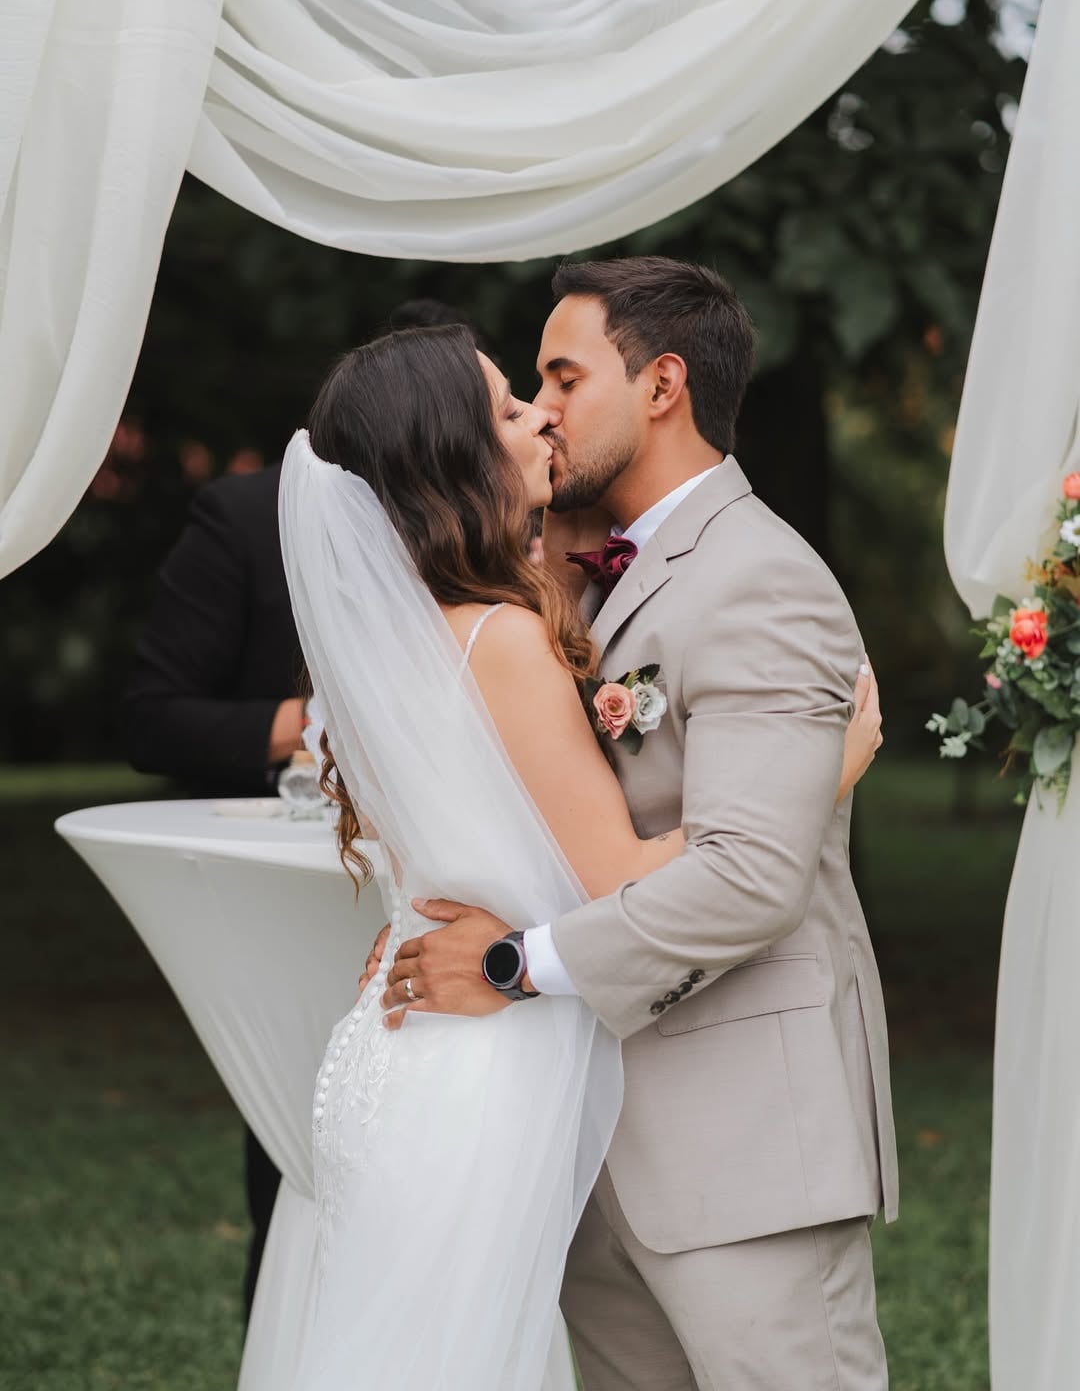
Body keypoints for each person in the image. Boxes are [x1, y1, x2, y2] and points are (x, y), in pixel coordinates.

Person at [279, 306, 883, 1388]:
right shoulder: (506, 632)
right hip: (498, 1071)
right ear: (452, 454)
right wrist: (822, 778)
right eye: (516, 401)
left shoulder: (414, 628)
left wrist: (493, 948)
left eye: (555, 383)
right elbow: (620, 870)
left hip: (442, 1067)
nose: (541, 417)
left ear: (661, 385)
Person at [124, 299, 492, 1324]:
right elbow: (154, 719)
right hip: (305, 889)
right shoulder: (245, 518)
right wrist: (325, 723)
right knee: (305, 1147)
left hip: (461, 901)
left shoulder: (503, 533)